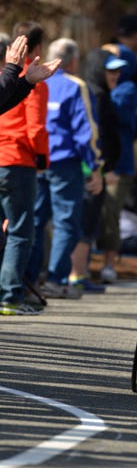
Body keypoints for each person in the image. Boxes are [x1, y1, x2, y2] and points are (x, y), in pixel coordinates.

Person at [25, 38, 103, 300]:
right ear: (73, 61)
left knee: (35, 220)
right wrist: (94, 166)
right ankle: (57, 281)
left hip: (34, 161)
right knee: (65, 222)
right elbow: (86, 130)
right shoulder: (75, 85)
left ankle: (30, 280)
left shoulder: (33, 79)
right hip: (65, 163)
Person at [0, 30, 61, 316]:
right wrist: (42, 161)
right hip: (17, 161)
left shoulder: (13, 79)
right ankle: (10, 296)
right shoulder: (10, 76)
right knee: (21, 231)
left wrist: (24, 80)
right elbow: (36, 128)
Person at [69, 48, 128, 293]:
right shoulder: (97, 97)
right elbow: (96, 137)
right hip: (92, 170)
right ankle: (75, 277)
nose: (115, 74)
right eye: (109, 69)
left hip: (92, 168)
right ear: (97, 70)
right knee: (86, 223)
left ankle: (75, 275)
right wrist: (102, 169)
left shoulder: (99, 94)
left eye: (117, 70)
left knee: (86, 223)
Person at [95, 45, 137, 283]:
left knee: (110, 213)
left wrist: (104, 94)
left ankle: (109, 264)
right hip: (96, 163)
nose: (114, 70)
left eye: (119, 65)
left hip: (120, 165)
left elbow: (118, 114)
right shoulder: (97, 89)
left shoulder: (127, 89)